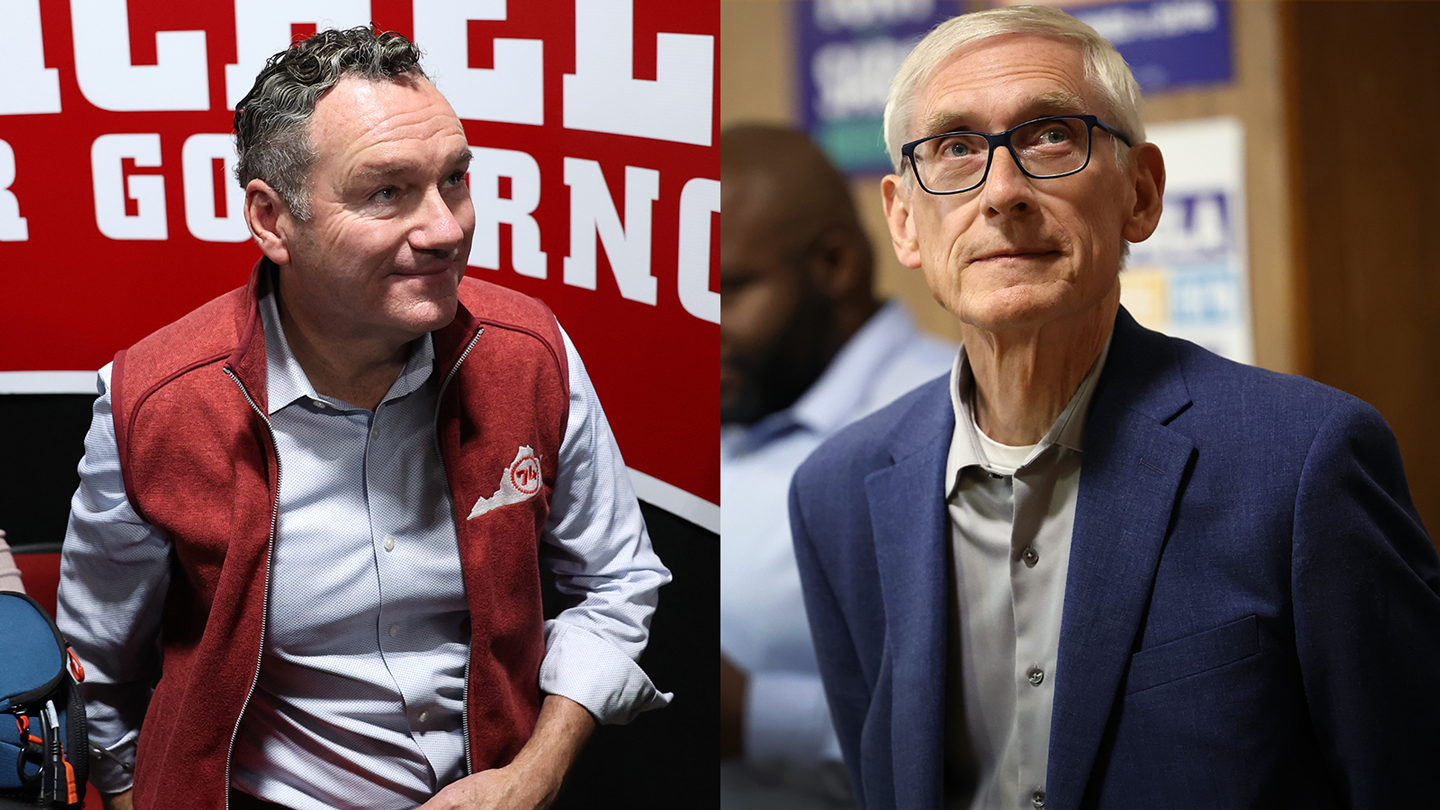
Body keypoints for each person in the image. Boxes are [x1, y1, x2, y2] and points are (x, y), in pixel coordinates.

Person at [788, 6, 1440, 809]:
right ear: (903, 220)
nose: (1002, 192)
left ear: (1141, 192)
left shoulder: (1305, 463)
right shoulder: (836, 493)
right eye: (955, 149)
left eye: (1050, 136)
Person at [57, 28, 670, 810]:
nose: (447, 229)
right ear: (273, 220)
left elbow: (618, 582)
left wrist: (534, 774)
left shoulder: (528, 353)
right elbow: (95, 669)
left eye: (455, 179)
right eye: (386, 192)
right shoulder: (157, 399)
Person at [720, 125, 953, 808]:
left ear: (834, 265)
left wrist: (754, 718)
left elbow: (1001, 727)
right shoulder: (731, 399)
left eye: (731, 291)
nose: (704, 326)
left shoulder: (958, 421)